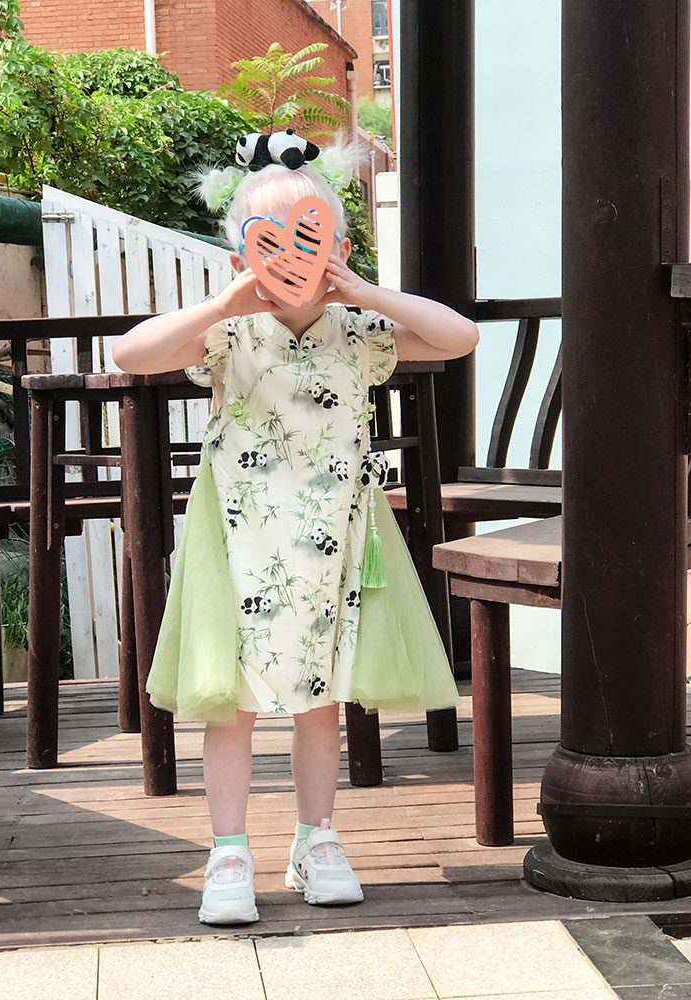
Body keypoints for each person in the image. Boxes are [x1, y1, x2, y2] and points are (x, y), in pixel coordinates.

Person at [112, 133, 479, 926]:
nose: (290, 260)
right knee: (231, 700)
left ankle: (318, 838)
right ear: (241, 251)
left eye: (309, 239)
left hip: (335, 540)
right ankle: (229, 850)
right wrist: (223, 302)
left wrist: (367, 293)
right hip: (240, 541)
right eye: (267, 243)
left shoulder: (360, 332)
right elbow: (130, 354)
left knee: (322, 699)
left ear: (338, 247)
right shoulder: (229, 331)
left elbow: (459, 336)